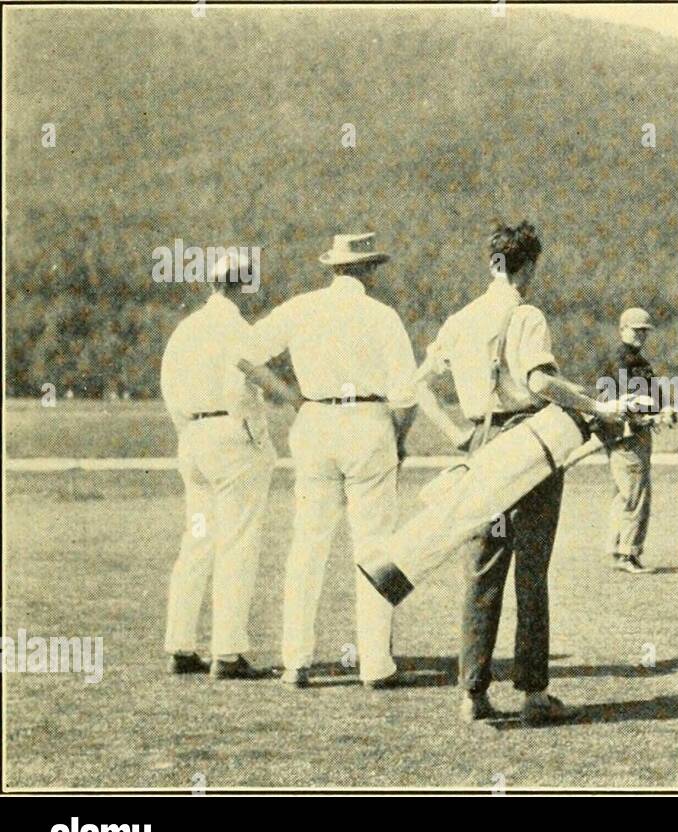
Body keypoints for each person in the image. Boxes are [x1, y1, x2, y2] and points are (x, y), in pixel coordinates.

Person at [418, 220, 627, 725]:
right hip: (530, 446)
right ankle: (533, 694)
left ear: (492, 262)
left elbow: (419, 386)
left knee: (483, 569)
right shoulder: (527, 313)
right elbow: (539, 380)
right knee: (531, 571)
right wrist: (599, 408)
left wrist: (456, 434)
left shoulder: (460, 319)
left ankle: (472, 693)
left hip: (484, 443)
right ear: (528, 265)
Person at [237, 233, 418, 689]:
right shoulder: (382, 316)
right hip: (369, 422)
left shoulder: (302, 308)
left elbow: (244, 354)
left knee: (308, 544)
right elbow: (407, 395)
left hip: (316, 421)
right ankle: (376, 664)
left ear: (334, 268)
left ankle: (297, 661)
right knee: (374, 547)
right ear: (369, 271)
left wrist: (292, 397)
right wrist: (397, 440)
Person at [160, 252, 276, 680]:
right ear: (245, 285)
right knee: (238, 543)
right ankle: (227, 652)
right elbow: (241, 387)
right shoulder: (238, 329)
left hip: (193, 438)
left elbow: (169, 389)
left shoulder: (185, 329)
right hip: (231, 438)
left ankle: (180, 645)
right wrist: (255, 435)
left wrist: (188, 432)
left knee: (198, 540)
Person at [603, 307, 659, 574]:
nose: (641, 334)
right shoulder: (625, 361)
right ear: (622, 329)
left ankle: (618, 549)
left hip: (624, 432)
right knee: (636, 494)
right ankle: (628, 553)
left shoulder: (630, 359)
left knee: (624, 493)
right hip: (629, 433)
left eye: (644, 330)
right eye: (636, 329)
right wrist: (651, 415)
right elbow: (629, 399)